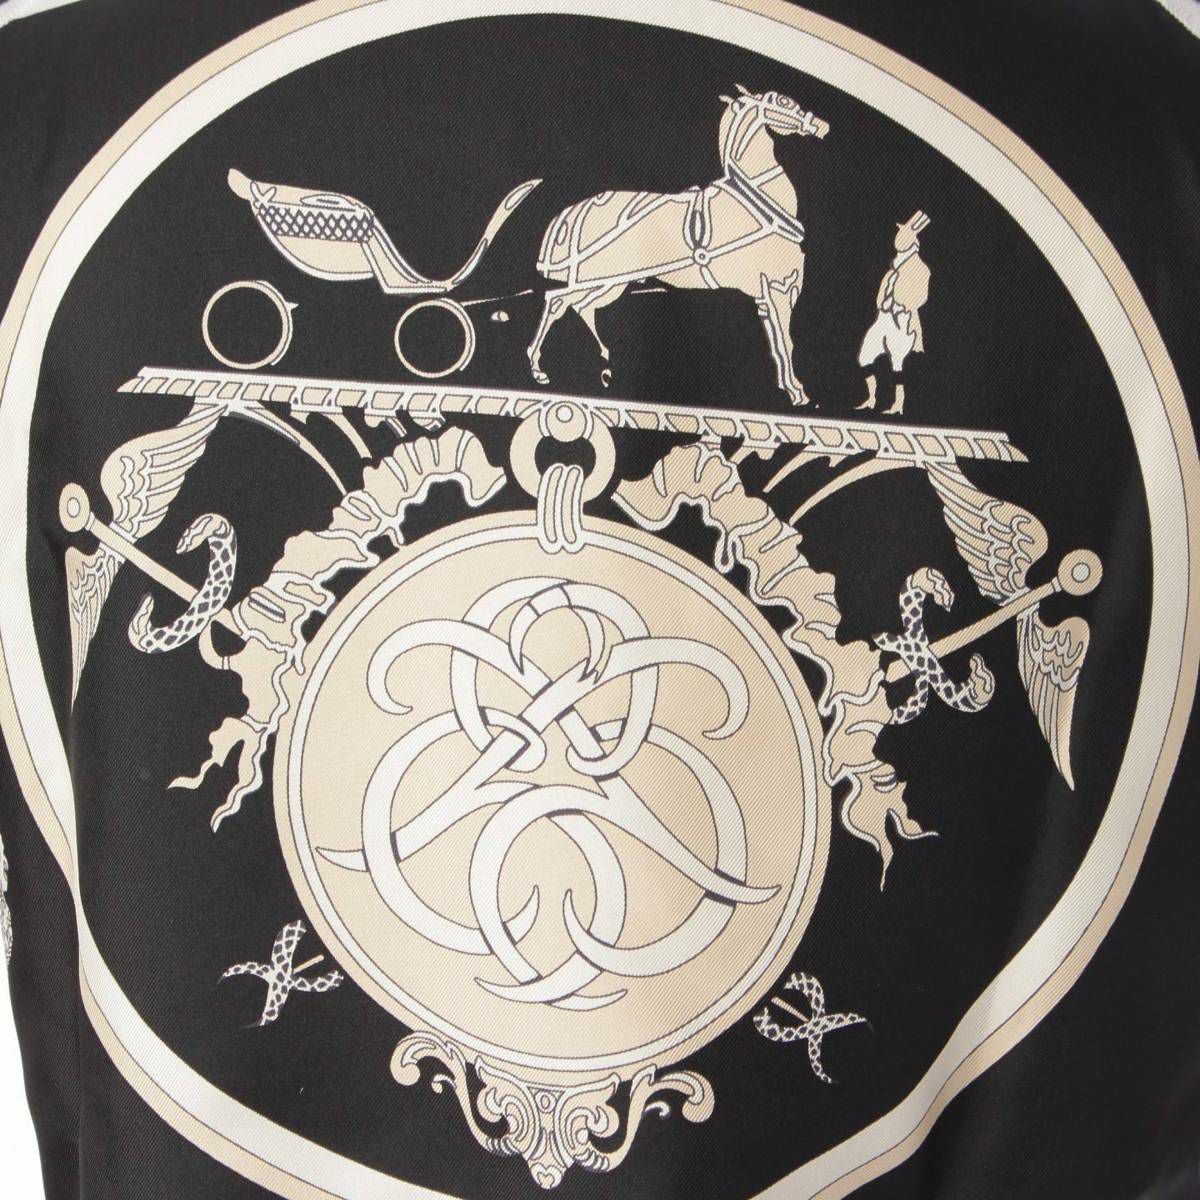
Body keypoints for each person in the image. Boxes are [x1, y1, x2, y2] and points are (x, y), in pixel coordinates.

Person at [855, 210, 931, 415]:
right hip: (883, 318)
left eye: (903, 233)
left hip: (901, 320)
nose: (899, 236)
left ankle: (899, 403)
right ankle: (872, 398)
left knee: (898, 364)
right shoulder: (893, 269)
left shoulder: (920, 268)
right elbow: (881, 295)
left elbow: (921, 296)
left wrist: (903, 307)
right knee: (865, 356)